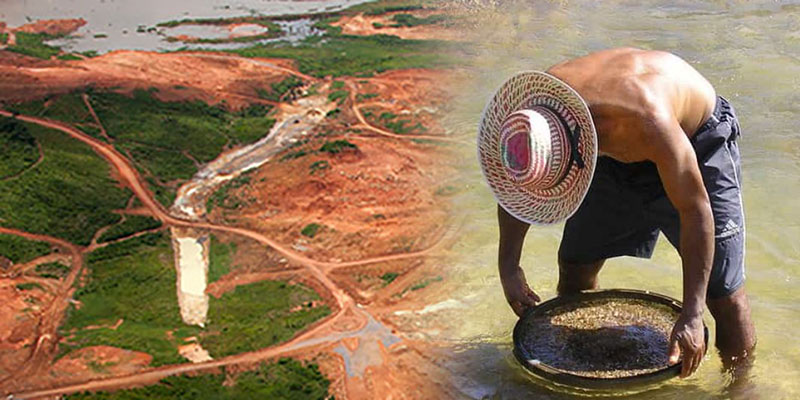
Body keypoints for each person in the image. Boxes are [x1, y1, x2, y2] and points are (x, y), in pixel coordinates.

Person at [476, 48, 755, 378]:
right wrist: (509, 265)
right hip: (607, 149)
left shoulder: (646, 117)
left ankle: (740, 387)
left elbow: (695, 210)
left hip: (695, 139)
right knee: (575, 268)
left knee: (722, 294)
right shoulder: (534, 118)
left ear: (577, 157)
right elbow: (517, 185)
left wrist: (692, 314)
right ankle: (582, 371)